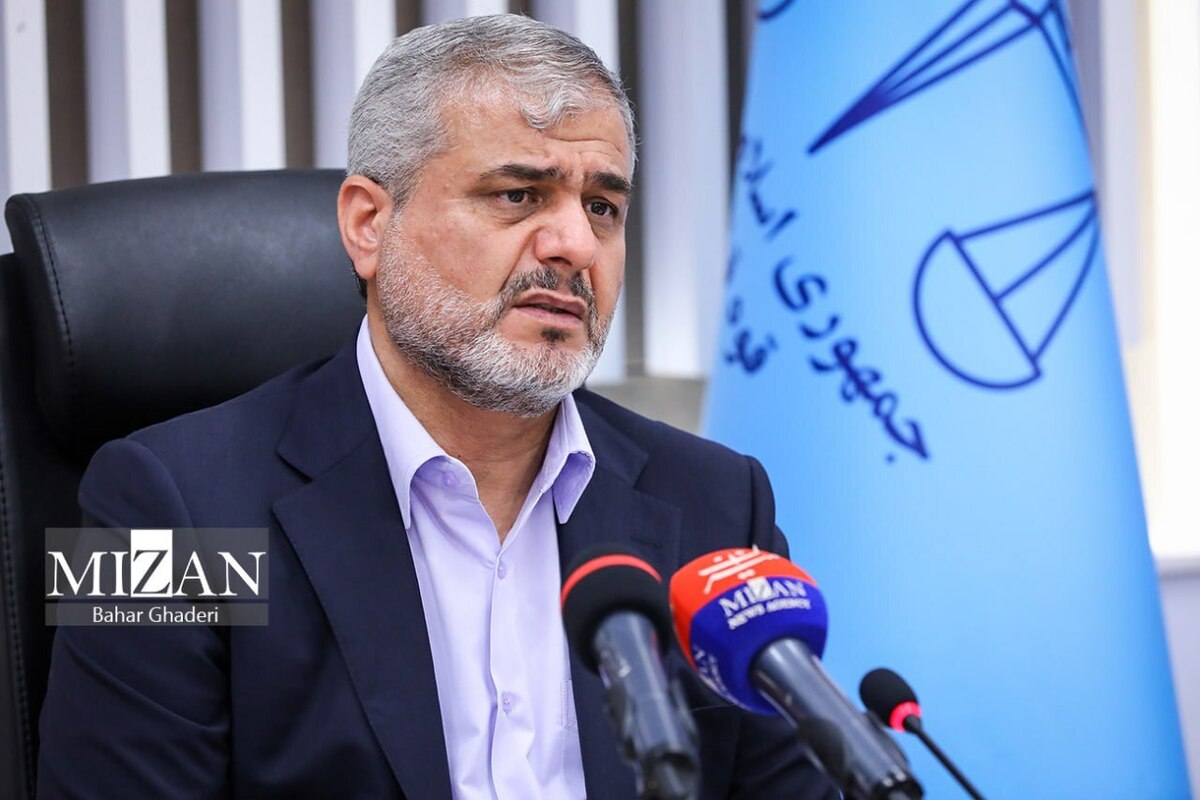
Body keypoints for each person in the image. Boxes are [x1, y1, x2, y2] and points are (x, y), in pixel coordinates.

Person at [37, 14, 837, 800]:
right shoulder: (159, 510)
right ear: (368, 225)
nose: (575, 245)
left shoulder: (717, 504)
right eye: (519, 194)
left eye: (603, 207)